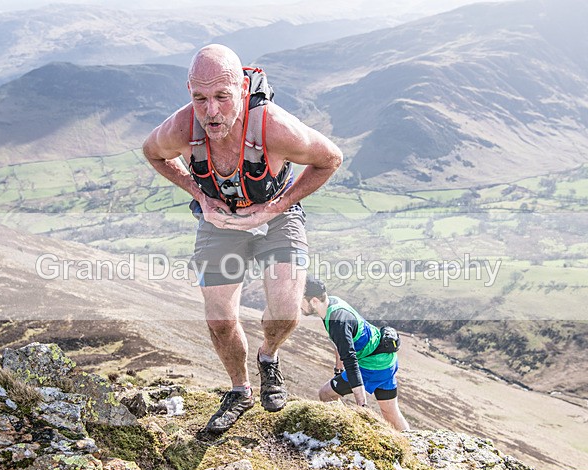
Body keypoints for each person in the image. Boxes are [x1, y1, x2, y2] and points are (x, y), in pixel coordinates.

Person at [142, 44, 343, 433]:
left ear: (242, 90)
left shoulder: (275, 126)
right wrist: (199, 194)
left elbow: (329, 158)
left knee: (285, 310)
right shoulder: (182, 127)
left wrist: (275, 207)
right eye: (200, 98)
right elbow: (153, 153)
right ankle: (240, 389)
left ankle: (268, 357)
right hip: (219, 220)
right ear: (188, 91)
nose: (211, 111)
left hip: (276, 214)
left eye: (221, 97)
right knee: (219, 318)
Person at [301, 275, 410, 432]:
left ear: (314, 301)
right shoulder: (332, 304)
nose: (298, 304)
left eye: (301, 299)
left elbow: (350, 360)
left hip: (372, 367)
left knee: (326, 394)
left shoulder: (337, 322)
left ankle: (343, 431)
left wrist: (361, 404)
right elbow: (340, 344)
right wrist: (338, 370)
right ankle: (412, 446)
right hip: (387, 360)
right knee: (391, 412)